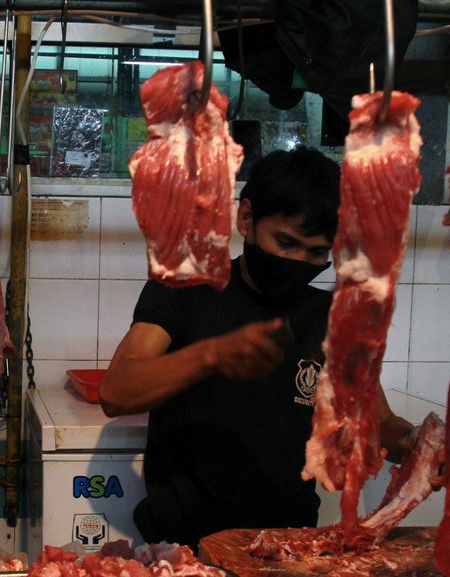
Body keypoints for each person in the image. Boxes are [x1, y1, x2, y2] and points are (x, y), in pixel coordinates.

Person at [99, 146, 418, 551]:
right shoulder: (185, 289)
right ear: (246, 218)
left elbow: (377, 422)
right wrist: (211, 355)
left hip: (285, 547)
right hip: (182, 548)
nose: (300, 260)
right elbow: (116, 391)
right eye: (286, 242)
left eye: (318, 252)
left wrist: (413, 443)